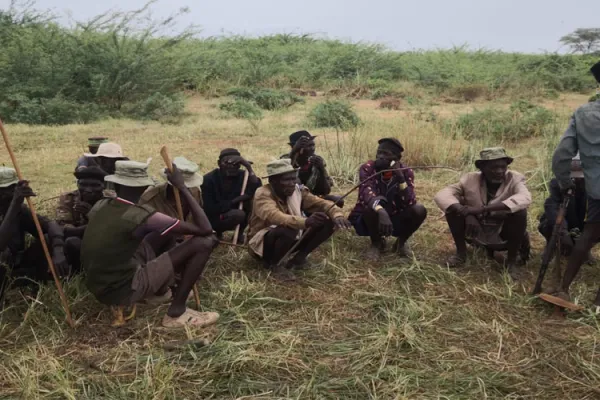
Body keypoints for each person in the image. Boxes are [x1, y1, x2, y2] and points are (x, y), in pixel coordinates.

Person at [81, 160, 219, 328]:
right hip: (123, 290)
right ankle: (176, 312)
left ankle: (159, 291)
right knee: (205, 242)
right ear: (142, 187)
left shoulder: (101, 204)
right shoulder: (141, 215)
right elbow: (205, 229)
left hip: (99, 285)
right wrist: (182, 187)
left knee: (165, 233)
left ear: (116, 183)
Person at [434, 147, 532, 279]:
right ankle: (461, 255)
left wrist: (483, 210)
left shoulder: (514, 178)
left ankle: (511, 263)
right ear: (482, 168)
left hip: (503, 233)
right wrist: (467, 213)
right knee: (452, 210)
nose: (499, 172)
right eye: (493, 168)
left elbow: (524, 198)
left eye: (503, 167)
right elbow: (443, 194)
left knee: (520, 213)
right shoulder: (469, 179)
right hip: (476, 231)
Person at [247, 159, 351, 281]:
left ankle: (299, 258)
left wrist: (337, 215)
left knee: (327, 220)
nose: (292, 183)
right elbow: (274, 216)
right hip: (262, 244)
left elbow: (322, 203)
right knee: (288, 228)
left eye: (293, 178)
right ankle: (274, 264)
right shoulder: (263, 194)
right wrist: (305, 222)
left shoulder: (297, 190)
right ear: (273, 181)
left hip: (292, 237)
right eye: (286, 180)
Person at [550, 61, 600, 305]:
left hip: (596, 189)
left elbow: (562, 154)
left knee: (589, 234)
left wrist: (565, 181)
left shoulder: (583, 113)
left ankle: (563, 288)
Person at [348, 138, 427, 261]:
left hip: (395, 216)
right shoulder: (368, 168)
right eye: (379, 152)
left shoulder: (406, 172)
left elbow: (409, 201)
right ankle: (376, 243)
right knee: (370, 208)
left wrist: (400, 178)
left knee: (419, 210)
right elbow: (366, 193)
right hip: (372, 218)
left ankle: (400, 243)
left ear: (396, 158)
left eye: (385, 154)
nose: (380, 156)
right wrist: (381, 211)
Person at [0, 167, 69, 301]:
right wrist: (15, 204)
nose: (5, 194)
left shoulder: (20, 209)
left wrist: (58, 250)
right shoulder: (15, 206)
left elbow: (50, 225)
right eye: (1, 190)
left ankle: (37, 289)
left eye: (10, 189)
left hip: (16, 263)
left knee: (49, 239)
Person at [55, 166, 110, 275]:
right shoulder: (68, 198)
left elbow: (109, 231)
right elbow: (63, 228)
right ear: (77, 184)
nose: (88, 190)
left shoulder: (109, 200)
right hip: (77, 241)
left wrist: (91, 214)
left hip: (101, 246)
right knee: (68, 241)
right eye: (83, 184)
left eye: (95, 185)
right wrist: (92, 226)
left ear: (104, 186)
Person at [202, 149, 262, 243]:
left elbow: (258, 189)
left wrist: (248, 167)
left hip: (234, 211)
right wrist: (237, 200)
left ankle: (239, 233)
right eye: (227, 163)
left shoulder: (243, 175)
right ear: (219, 163)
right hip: (213, 216)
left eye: (236, 164)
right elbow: (210, 208)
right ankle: (215, 232)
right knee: (238, 214)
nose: (231, 166)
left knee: (253, 201)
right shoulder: (209, 179)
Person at [538, 155, 588, 257]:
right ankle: (550, 244)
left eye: (580, 178)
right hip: (565, 222)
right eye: (573, 177)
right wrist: (563, 231)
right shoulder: (557, 183)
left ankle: (586, 249)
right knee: (547, 222)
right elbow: (551, 206)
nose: (577, 180)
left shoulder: (594, 186)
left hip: (583, 224)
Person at [283, 130, 344, 207]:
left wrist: (321, 169)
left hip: (314, 198)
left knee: (338, 200)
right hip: (293, 199)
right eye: (308, 146)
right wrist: (294, 151)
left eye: (313, 145)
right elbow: (285, 174)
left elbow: (326, 190)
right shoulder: (285, 160)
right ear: (297, 147)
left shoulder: (316, 160)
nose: (312, 148)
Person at [139, 156, 204, 221]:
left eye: (188, 187)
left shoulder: (196, 191)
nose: (186, 190)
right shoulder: (150, 200)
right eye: (181, 188)